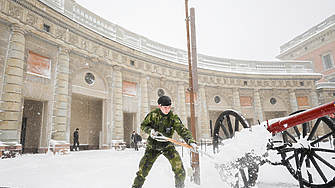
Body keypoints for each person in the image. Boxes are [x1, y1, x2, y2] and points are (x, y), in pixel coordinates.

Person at [132, 95, 198, 188]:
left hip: (168, 146)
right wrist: (150, 131)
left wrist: (190, 141)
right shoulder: (153, 115)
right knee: (143, 170)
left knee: (179, 169)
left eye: (169, 107)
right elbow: (143, 126)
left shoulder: (173, 117)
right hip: (153, 147)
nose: (167, 110)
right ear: (159, 106)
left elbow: (182, 129)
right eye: (165, 107)